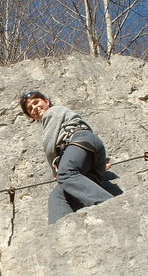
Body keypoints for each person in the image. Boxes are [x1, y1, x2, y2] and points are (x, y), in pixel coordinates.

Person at [20, 90, 114, 224]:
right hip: (86, 153)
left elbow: (49, 144)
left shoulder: (53, 112)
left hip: (80, 142)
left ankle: (110, 204)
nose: (35, 108)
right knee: (58, 196)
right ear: (31, 116)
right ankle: (61, 228)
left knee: (65, 174)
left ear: (46, 102)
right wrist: (104, 160)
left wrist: (56, 172)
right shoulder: (60, 116)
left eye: (36, 102)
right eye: (30, 108)